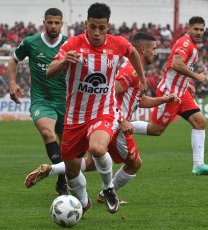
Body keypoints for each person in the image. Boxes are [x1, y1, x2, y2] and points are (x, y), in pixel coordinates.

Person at [24, 32, 180, 204]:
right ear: (143, 50)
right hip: (112, 123)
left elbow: (138, 100)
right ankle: (106, 194)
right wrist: (121, 119)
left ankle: (52, 170)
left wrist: (162, 100)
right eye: (154, 49)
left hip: (107, 120)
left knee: (91, 162)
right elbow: (111, 93)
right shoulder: (131, 71)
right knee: (134, 164)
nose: (156, 53)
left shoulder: (133, 71)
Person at [45, 3, 147, 215]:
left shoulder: (117, 44)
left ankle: (108, 189)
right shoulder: (72, 44)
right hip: (74, 117)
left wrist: (143, 79)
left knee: (99, 148)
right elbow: (50, 72)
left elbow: (133, 52)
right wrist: (64, 61)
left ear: (108, 26)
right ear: (86, 24)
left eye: (102, 28)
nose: (97, 33)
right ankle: (83, 202)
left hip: (103, 112)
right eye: (93, 27)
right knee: (72, 171)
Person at [131, 16, 208, 176]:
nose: (199, 32)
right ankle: (121, 127)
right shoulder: (185, 43)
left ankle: (198, 165)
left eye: (201, 30)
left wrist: (186, 83)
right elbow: (176, 64)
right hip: (169, 93)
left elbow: (171, 67)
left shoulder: (191, 45)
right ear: (188, 29)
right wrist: (196, 77)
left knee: (200, 122)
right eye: (196, 29)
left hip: (181, 92)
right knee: (156, 130)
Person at [7, 8, 69, 195]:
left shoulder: (70, 44)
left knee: (69, 149)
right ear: (44, 23)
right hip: (41, 101)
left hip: (66, 102)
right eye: (49, 22)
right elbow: (14, 59)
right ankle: (62, 181)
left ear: (61, 24)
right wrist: (12, 83)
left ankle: (60, 179)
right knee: (46, 132)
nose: (53, 26)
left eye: (56, 23)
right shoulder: (31, 43)